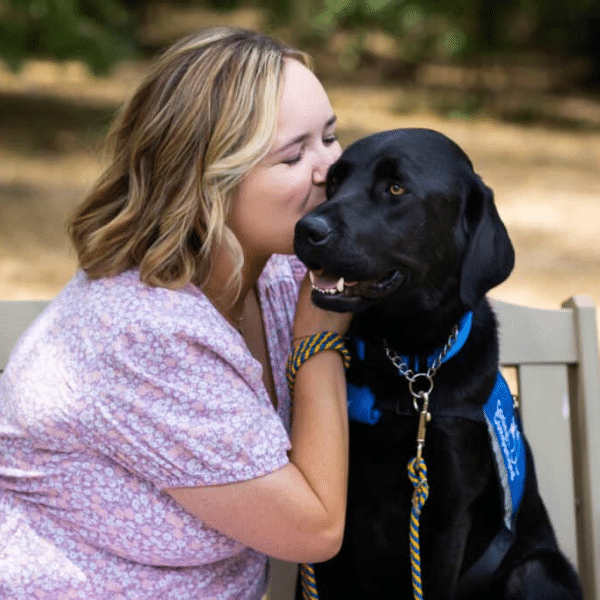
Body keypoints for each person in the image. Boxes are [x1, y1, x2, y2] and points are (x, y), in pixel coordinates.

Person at [0, 27, 352, 599]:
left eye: (331, 137)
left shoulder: (279, 273)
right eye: (294, 154)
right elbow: (312, 529)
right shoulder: (144, 333)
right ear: (206, 180)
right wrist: (319, 344)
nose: (330, 169)